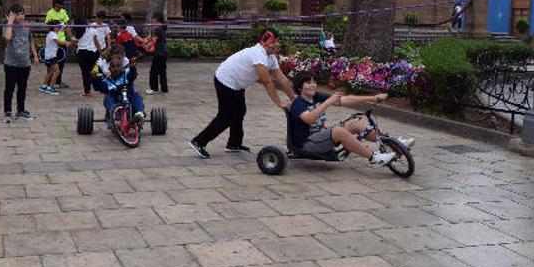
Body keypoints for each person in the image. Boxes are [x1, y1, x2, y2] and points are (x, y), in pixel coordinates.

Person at [189, 28, 296, 159]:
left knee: (240, 111)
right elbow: (267, 82)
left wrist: (294, 99)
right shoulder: (259, 54)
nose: (278, 45)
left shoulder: (271, 57)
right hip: (225, 80)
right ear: (264, 41)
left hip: (237, 84)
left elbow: (283, 79)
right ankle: (199, 141)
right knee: (226, 116)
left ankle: (234, 144)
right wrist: (279, 103)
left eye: (279, 42)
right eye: (275, 41)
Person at [288, 71, 415, 166]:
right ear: (300, 87)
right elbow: (309, 119)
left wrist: (373, 98)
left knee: (354, 124)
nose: (313, 85)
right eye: (308, 83)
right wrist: (328, 102)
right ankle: (374, 158)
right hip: (306, 144)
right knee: (338, 131)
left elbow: (346, 99)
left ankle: (392, 142)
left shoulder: (316, 96)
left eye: (314, 82)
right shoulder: (298, 103)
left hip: (320, 136)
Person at [93, 44, 145, 129]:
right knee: (108, 99)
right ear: (109, 69)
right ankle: (116, 119)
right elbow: (98, 87)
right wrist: (95, 78)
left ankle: (139, 116)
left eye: (118, 66)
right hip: (115, 100)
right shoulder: (107, 79)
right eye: (113, 67)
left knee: (137, 98)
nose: (115, 69)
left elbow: (132, 75)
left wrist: (132, 68)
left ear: (122, 67)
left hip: (129, 97)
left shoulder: (126, 74)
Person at [3, 4, 39, 123]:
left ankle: (21, 111)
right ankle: (7, 112)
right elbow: (8, 38)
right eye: (18, 14)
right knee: (10, 87)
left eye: (22, 14)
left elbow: (30, 41)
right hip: (11, 63)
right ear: (12, 15)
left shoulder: (26, 26)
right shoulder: (8, 26)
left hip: (25, 63)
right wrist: (10, 22)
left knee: (22, 88)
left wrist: (35, 55)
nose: (21, 16)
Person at [76, 11, 111, 97]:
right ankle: (99, 87)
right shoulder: (92, 28)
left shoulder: (79, 30)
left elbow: (97, 41)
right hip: (92, 53)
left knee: (87, 72)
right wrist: (100, 52)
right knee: (92, 72)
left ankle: (88, 91)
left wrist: (103, 52)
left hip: (83, 53)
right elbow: (96, 42)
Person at [45, 0, 70, 88]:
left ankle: (58, 82)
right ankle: (49, 83)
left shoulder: (63, 12)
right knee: (51, 66)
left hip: (62, 41)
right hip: (54, 42)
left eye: (61, 7)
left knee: (61, 63)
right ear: (55, 5)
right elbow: (48, 25)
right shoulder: (50, 13)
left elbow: (67, 26)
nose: (60, 9)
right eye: (58, 7)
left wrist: (70, 37)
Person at [41, 21, 69, 95]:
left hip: (49, 56)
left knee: (51, 71)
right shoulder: (53, 34)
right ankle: (50, 88)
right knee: (57, 71)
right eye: (57, 26)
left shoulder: (51, 33)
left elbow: (61, 29)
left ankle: (44, 86)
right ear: (54, 27)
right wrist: (66, 42)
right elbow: (59, 42)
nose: (59, 28)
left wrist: (62, 27)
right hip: (51, 56)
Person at [146, 14, 168, 95]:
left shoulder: (158, 29)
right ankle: (164, 89)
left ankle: (154, 89)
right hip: (163, 53)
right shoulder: (162, 28)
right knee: (162, 72)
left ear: (158, 21)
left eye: (153, 22)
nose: (152, 23)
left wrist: (146, 47)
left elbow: (153, 42)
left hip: (159, 53)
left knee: (153, 72)